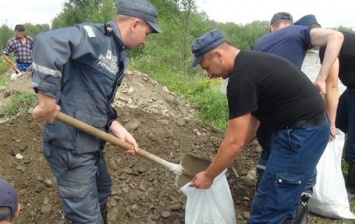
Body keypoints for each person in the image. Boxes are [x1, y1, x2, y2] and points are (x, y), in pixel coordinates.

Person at [31, 0, 162, 223]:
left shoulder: (118, 53)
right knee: (87, 218)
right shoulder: (95, 38)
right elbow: (46, 42)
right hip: (70, 147)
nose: (145, 42)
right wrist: (46, 99)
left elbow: (91, 97)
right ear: (135, 24)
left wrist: (114, 125)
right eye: (147, 33)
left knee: (103, 190)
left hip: (90, 142)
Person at [189, 29, 330, 223]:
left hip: (301, 134)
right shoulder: (252, 62)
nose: (209, 75)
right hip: (306, 129)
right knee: (284, 200)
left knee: (268, 207)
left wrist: (209, 175)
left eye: (207, 68)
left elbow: (235, 142)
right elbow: (251, 126)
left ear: (218, 55)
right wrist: (224, 160)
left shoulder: (241, 79)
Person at [252, 12, 343, 223]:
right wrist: (330, 122)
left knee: (273, 156)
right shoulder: (304, 39)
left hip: (272, 113)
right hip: (297, 119)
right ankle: (292, 212)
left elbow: (331, 87)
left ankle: (268, 202)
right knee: (301, 167)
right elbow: (330, 87)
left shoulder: (267, 42)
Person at [317, 29, 355, 202]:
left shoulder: (330, 46)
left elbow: (331, 86)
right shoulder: (335, 39)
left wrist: (329, 122)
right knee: (338, 122)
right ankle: (333, 170)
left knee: (353, 143)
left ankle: (352, 188)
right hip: (352, 89)